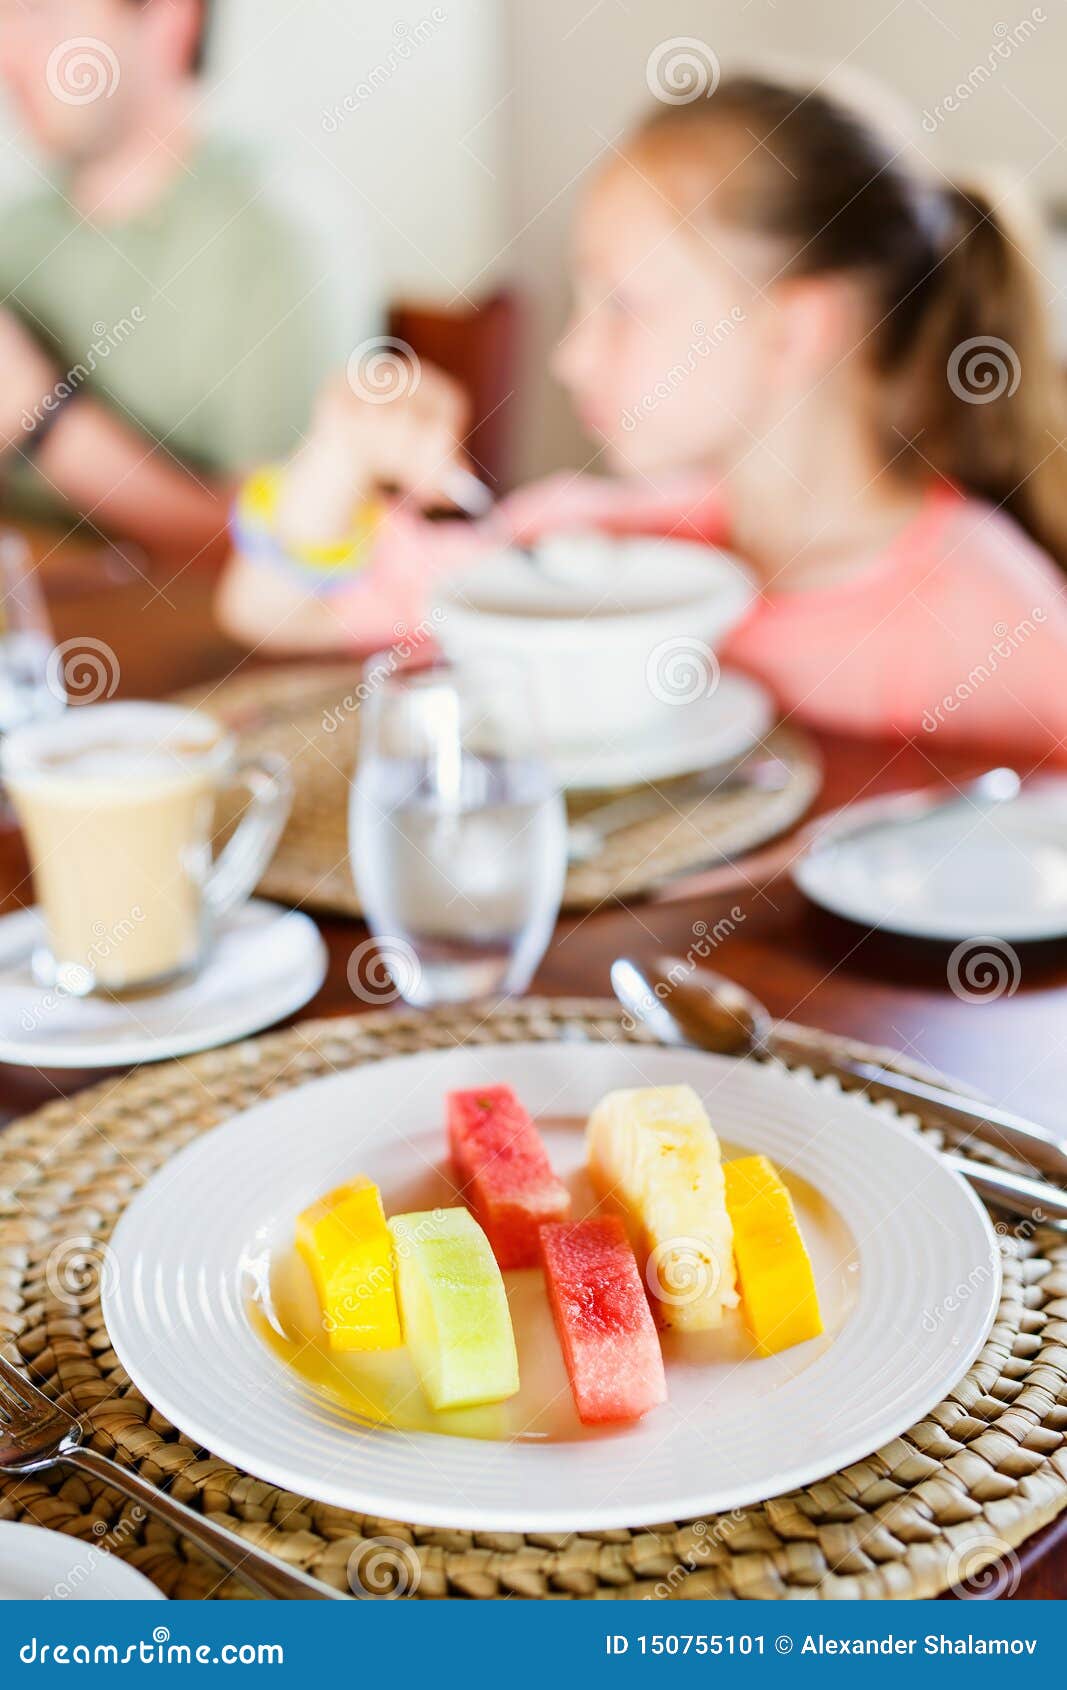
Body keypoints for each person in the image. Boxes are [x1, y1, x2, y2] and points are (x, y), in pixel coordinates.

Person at [217, 69, 1067, 758]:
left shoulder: (993, 623)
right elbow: (272, 607)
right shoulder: (592, 548)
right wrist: (339, 453)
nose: (569, 357)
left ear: (792, 330)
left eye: (621, 303)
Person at [0, 0, 376, 548]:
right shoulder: (16, 233)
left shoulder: (280, 232)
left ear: (170, 21)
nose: (7, 54)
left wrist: (42, 421)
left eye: (42, 13)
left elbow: (289, 552)